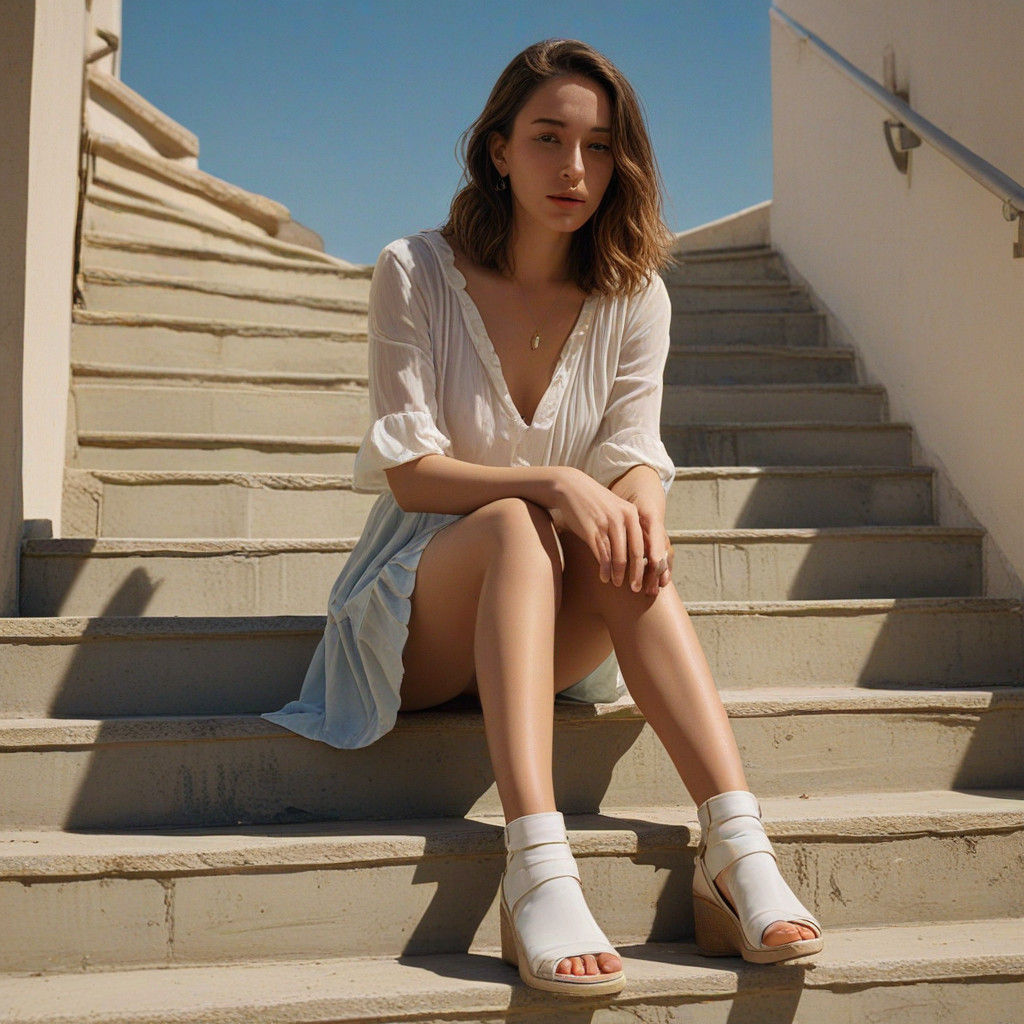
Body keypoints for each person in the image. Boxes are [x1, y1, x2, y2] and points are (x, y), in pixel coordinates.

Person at [262, 37, 822, 998]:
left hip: (550, 615)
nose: (574, 169)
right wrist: (556, 484)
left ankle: (734, 846)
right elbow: (407, 473)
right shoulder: (415, 271)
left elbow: (636, 452)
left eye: (600, 147)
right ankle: (536, 864)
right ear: (496, 150)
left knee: (625, 540)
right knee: (526, 521)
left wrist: (635, 507)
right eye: (548, 138)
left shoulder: (634, 291)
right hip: (414, 616)